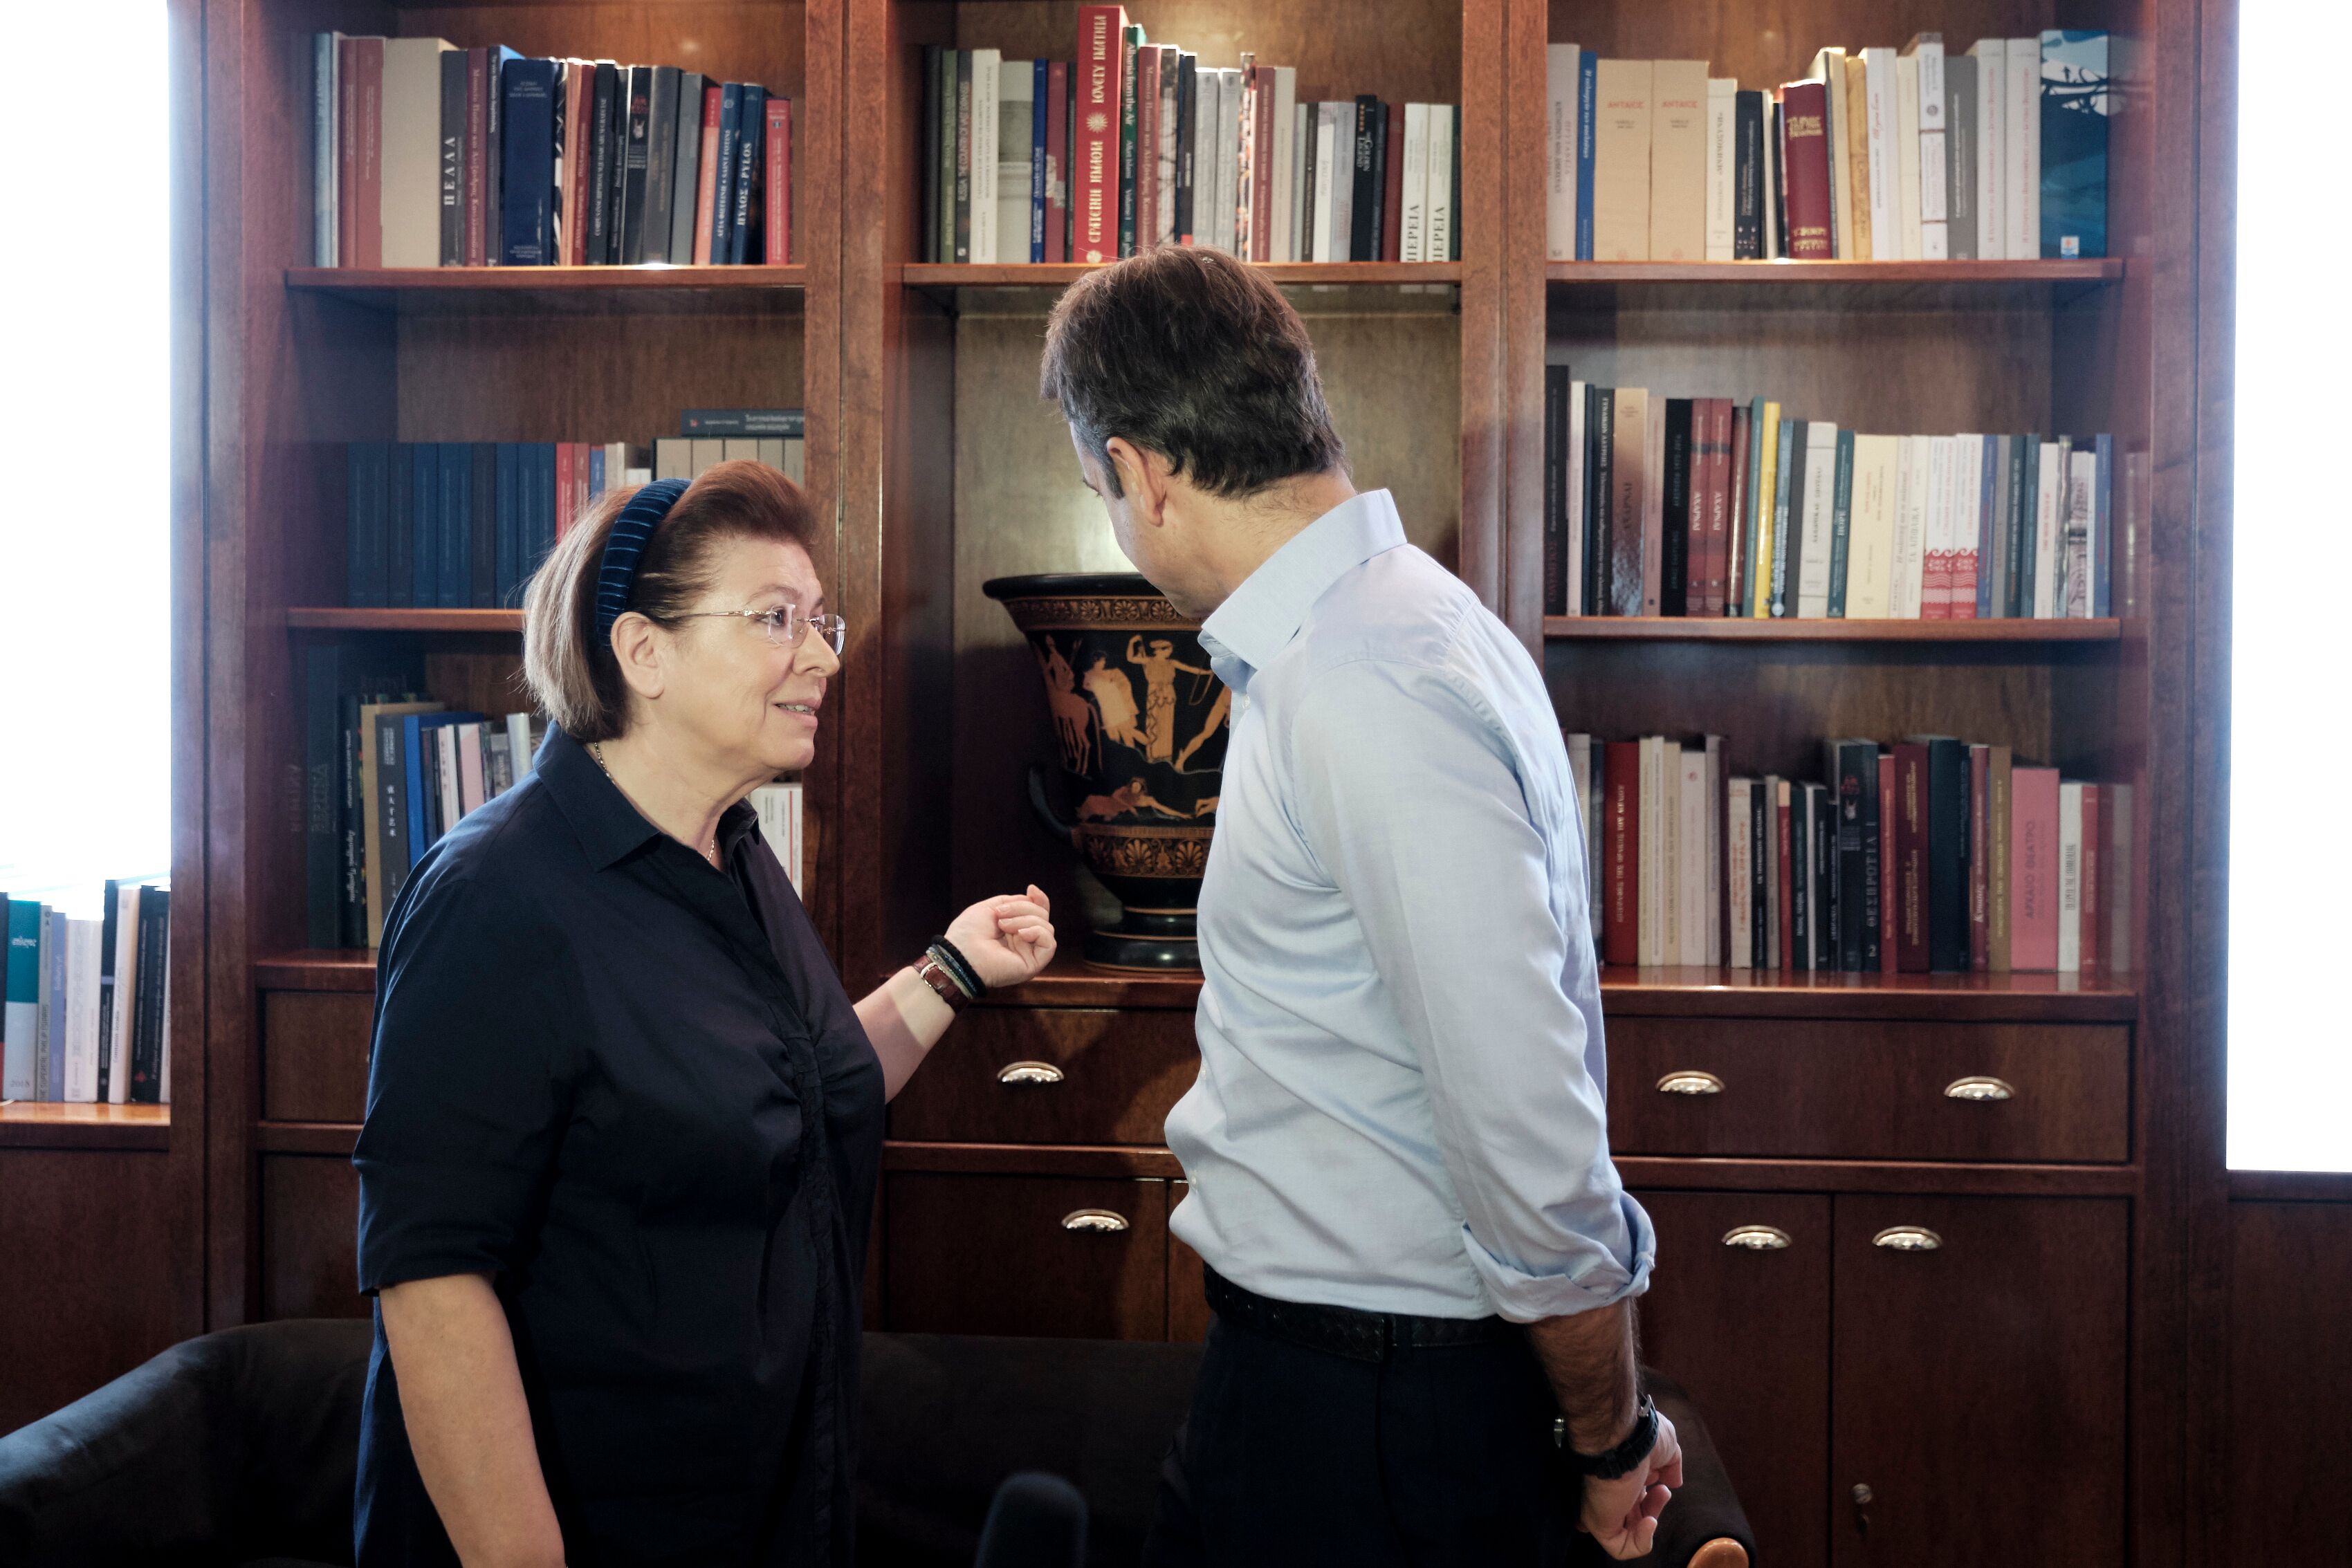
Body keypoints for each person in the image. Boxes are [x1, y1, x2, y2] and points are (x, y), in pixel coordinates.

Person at [1040, 247, 1673, 1565]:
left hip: (1371, 1415)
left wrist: (1609, 1436)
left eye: (1103, 492)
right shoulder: (1393, 630)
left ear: (1141, 473)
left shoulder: (1361, 675)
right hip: (1355, 1385)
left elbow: (1521, 1117)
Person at [351, 461, 1056, 1568]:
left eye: (818, 621)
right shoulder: (494, 897)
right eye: (776, 619)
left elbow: (799, 1093)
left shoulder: (734, 854)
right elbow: (433, 1281)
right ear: (644, 653)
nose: (823, 656)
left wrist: (952, 970)